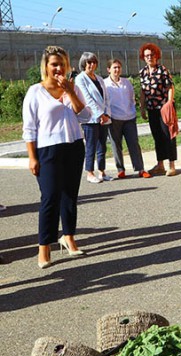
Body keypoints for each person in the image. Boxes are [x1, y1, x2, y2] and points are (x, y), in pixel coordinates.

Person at [23, 46, 90, 269]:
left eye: (62, 63)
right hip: (47, 150)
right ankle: (44, 246)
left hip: (73, 146)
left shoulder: (73, 88)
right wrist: (32, 157)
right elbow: (29, 129)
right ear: (46, 67)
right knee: (50, 196)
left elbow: (86, 115)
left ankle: (68, 237)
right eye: (54, 64)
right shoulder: (35, 92)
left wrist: (70, 92)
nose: (59, 68)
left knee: (70, 195)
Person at [104, 59, 151, 179]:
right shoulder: (104, 84)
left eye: (119, 67)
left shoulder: (126, 83)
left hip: (129, 117)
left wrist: (133, 111)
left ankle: (140, 169)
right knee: (116, 144)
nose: (117, 70)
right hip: (114, 118)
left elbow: (131, 98)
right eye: (114, 67)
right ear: (108, 69)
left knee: (134, 143)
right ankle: (120, 169)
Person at [139, 43, 178, 177]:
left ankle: (171, 165)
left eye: (152, 55)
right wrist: (142, 107)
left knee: (168, 135)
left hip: (163, 108)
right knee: (157, 136)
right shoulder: (142, 72)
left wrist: (169, 104)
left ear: (156, 56)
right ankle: (160, 164)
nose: (150, 57)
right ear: (143, 57)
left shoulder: (162, 70)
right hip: (151, 109)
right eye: (147, 55)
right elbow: (143, 91)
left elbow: (170, 87)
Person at [75, 52, 112, 183]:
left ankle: (102, 171)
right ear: (84, 64)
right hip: (90, 118)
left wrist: (106, 113)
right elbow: (87, 99)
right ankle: (90, 173)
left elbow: (106, 97)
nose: (92, 65)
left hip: (104, 118)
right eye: (89, 62)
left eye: (94, 62)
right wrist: (100, 114)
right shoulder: (80, 79)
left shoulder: (100, 79)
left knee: (102, 146)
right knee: (91, 146)